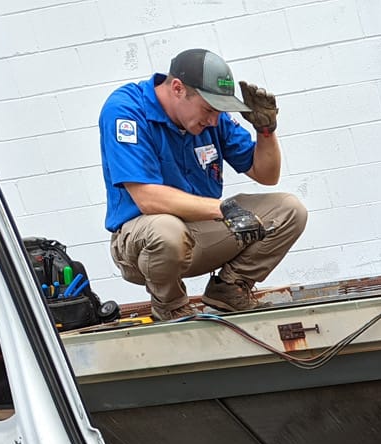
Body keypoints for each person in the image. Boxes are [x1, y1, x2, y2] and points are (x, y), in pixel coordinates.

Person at [97, 48, 307, 321]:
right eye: (208, 109)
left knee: (290, 210)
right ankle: (171, 305)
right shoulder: (126, 109)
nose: (214, 120)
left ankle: (229, 289)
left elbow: (266, 175)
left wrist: (266, 130)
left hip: (198, 233)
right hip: (144, 245)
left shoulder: (212, 118)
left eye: (219, 112)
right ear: (177, 89)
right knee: (167, 231)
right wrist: (223, 209)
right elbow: (148, 199)